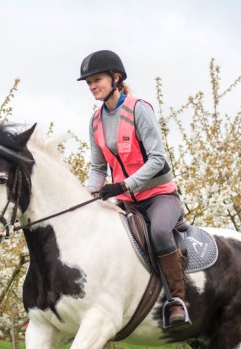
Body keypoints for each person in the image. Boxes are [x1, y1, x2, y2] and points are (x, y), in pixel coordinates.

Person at [78, 50, 190, 330]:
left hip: (159, 196)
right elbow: (97, 168)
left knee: (160, 232)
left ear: (116, 78)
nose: (93, 86)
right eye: (89, 82)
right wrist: (86, 196)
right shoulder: (95, 121)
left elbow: (157, 159)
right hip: (126, 201)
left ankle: (177, 300)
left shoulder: (139, 108)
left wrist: (125, 184)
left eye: (97, 79)